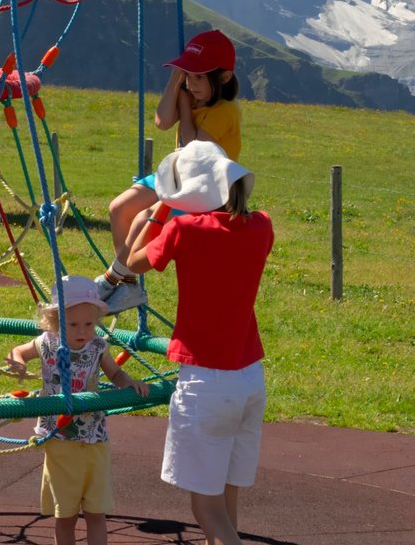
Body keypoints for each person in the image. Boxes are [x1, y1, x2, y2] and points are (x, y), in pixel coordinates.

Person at [125, 140, 273, 545]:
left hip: (205, 382)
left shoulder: (183, 229)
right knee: (226, 500)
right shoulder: (262, 225)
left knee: (205, 510)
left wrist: (159, 211)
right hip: (249, 378)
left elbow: (132, 261)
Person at [96, 30, 241, 314]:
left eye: (200, 77)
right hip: (177, 174)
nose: (192, 83)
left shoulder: (226, 110)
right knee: (119, 207)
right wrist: (175, 83)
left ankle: (114, 278)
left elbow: (192, 148)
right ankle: (128, 283)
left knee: (142, 221)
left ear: (223, 78)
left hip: (203, 188)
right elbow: (162, 121)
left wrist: (185, 107)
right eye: (189, 75)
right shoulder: (192, 95)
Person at [6, 275, 149, 545]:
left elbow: (116, 373)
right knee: (65, 516)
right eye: (73, 324)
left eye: (89, 323)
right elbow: (19, 351)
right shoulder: (47, 343)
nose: (82, 330)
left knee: (97, 513)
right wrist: (18, 363)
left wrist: (131, 383)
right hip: (60, 443)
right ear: (55, 321)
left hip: (94, 440)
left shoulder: (97, 347)